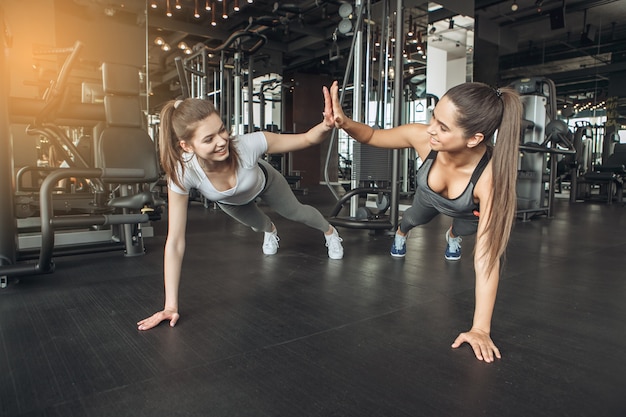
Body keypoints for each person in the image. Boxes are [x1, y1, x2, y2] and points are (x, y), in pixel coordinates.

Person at [326, 80, 522, 362]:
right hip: (428, 198)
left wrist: (480, 328)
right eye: (434, 116)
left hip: (466, 211)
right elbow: (371, 135)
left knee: (467, 232)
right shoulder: (423, 139)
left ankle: (453, 235)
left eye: (443, 127)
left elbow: (487, 257)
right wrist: (344, 122)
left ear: (474, 139)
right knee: (410, 220)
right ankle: (402, 233)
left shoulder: (489, 178)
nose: (431, 128)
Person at [138, 94, 344, 331]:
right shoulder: (183, 171)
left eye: (222, 130)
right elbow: (174, 241)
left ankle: (329, 231)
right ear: (187, 146)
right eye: (208, 139)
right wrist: (170, 306)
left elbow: (306, 139)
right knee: (259, 225)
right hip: (231, 202)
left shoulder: (247, 145)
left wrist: (326, 126)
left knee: (297, 213)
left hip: (265, 182)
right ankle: (270, 230)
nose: (221, 141)